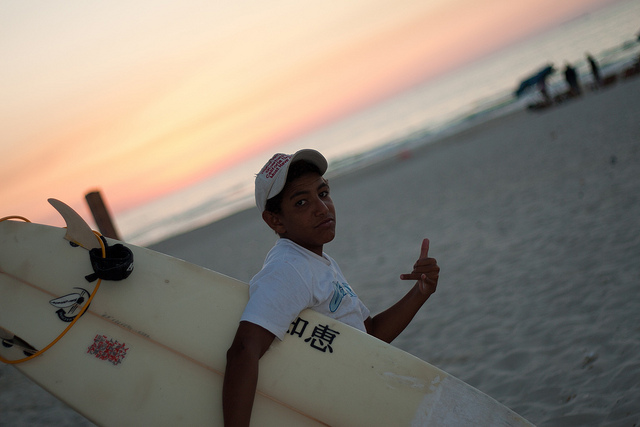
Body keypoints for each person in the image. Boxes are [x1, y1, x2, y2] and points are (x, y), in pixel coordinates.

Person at [222, 149, 440, 426]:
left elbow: (368, 334)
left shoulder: (317, 261)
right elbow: (244, 350)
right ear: (275, 220)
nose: (322, 208)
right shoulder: (288, 268)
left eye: (323, 193)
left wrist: (421, 292)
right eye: (302, 202)